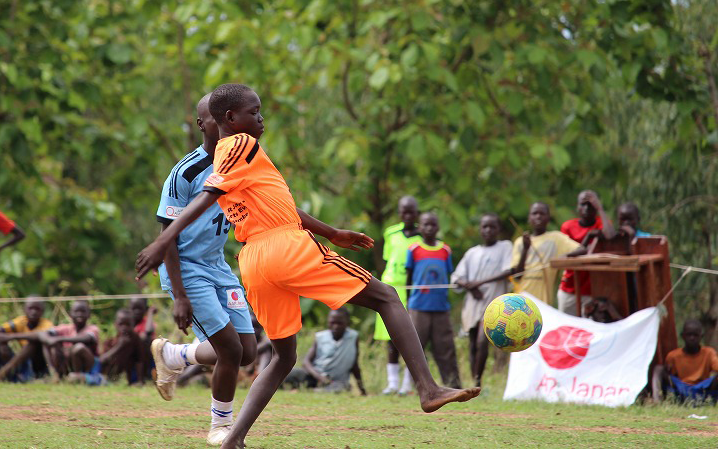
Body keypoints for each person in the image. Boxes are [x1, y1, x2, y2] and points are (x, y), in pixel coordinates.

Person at [135, 83, 480, 449]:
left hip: (253, 261)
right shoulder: (241, 144)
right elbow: (209, 196)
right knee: (387, 297)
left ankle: (232, 439)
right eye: (254, 112)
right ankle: (428, 388)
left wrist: (332, 232)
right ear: (230, 119)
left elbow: (271, 203)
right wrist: (162, 240)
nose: (261, 118)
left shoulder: (226, 156)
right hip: (285, 248)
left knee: (283, 356)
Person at [149, 93, 258, 446]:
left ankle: (175, 354)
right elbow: (166, 236)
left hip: (218, 267)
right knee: (229, 349)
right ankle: (220, 426)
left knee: (248, 351)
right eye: (215, 119)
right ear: (204, 124)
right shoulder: (186, 172)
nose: (225, 126)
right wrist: (179, 295)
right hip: (186, 269)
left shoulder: (241, 162)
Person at [451, 214, 513, 387]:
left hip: (494, 304)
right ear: (480, 229)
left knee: (482, 341)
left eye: (492, 227)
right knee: (472, 344)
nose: (488, 230)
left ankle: (478, 380)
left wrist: (479, 283)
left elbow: (508, 270)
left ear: (498, 230)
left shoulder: (505, 247)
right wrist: (469, 286)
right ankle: (474, 383)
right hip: (473, 303)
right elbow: (457, 277)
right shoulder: (472, 253)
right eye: (484, 227)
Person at [405, 212, 461, 390]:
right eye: (425, 225)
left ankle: (452, 384)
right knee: (415, 347)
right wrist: (407, 304)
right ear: (419, 227)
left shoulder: (445, 250)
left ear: (438, 227)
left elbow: (449, 275)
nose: (429, 228)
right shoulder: (414, 249)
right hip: (418, 307)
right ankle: (414, 385)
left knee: (445, 348)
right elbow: (409, 278)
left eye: (433, 225)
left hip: (440, 308)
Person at [375, 195, 421, 395]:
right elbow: (388, 260)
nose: (407, 215)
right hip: (389, 287)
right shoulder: (391, 233)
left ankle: (407, 383)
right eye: (404, 211)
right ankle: (392, 382)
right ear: (399, 212)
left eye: (411, 211)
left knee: (409, 335)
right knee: (389, 337)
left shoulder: (422, 237)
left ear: (417, 213)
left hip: (409, 289)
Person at [510, 202, 587, 304]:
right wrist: (525, 249)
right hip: (521, 300)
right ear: (529, 218)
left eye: (542, 213)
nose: (538, 216)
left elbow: (582, 249)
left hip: (544, 301)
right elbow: (517, 276)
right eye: (535, 213)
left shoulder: (556, 238)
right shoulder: (520, 242)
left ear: (548, 218)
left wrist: (565, 256)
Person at [557, 191, 615, 316]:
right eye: (583, 204)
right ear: (577, 207)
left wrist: (600, 208)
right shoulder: (568, 227)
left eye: (591, 204)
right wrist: (588, 237)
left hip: (593, 290)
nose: (587, 208)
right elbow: (568, 254)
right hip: (570, 288)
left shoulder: (601, 223)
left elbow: (610, 236)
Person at [283, 308, 366, 394]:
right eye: (332, 323)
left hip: (335, 381)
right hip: (315, 376)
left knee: (341, 388)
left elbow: (354, 365)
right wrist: (319, 377)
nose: (336, 326)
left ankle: (309, 391)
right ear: (328, 322)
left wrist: (362, 389)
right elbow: (306, 362)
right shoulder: (320, 337)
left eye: (340, 323)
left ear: (347, 322)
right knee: (289, 373)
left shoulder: (353, 337)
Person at [652, 319, 718, 402]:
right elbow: (670, 376)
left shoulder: (709, 353)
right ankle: (657, 400)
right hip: (681, 388)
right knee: (658, 369)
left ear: (701, 336)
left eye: (695, 335)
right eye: (689, 335)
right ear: (683, 336)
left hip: (702, 388)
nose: (692, 338)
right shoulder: (673, 356)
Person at [0, 298, 53, 382]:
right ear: (24, 309)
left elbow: (40, 336)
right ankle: (13, 376)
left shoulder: (47, 324)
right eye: (30, 308)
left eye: (37, 309)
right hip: (21, 361)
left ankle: (4, 373)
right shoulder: (20, 321)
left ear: (42, 311)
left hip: (39, 362)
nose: (33, 312)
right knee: (2, 346)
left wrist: (12, 336)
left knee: (32, 344)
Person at [98, 308, 146, 385]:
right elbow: (102, 360)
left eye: (128, 324)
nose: (124, 328)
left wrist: (140, 380)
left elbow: (139, 360)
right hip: (109, 374)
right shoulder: (110, 337)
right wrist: (119, 346)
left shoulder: (135, 338)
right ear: (115, 324)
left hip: (128, 375)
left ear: (133, 324)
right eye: (121, 324)